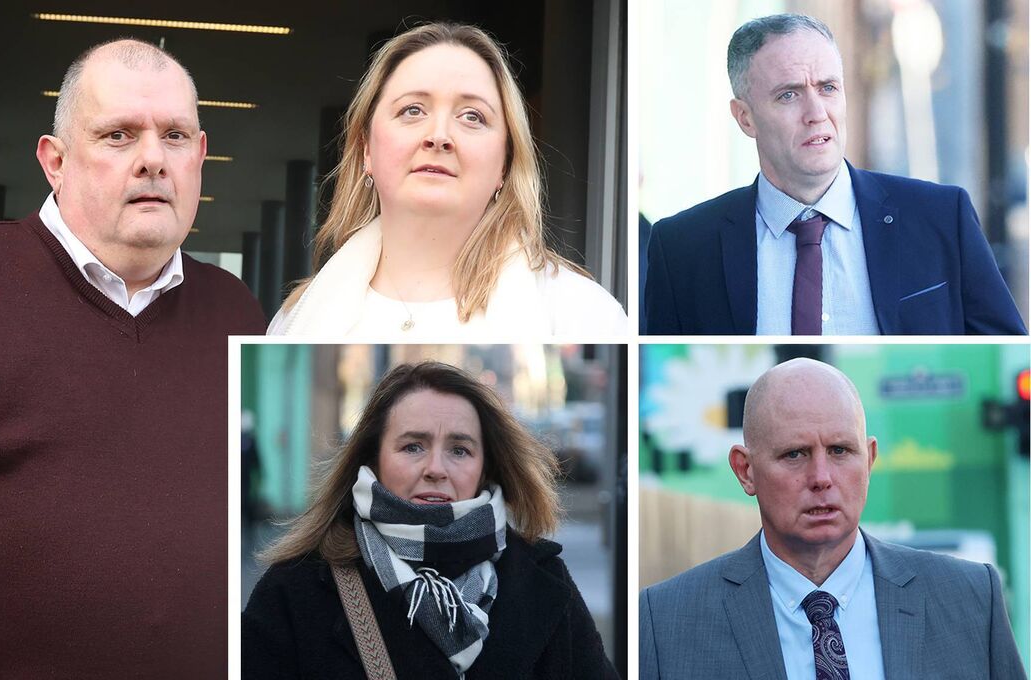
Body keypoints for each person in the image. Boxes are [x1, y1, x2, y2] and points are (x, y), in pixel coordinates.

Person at [0, 39, 264, 677]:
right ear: (54, 162)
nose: (153, 159)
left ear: (201, 156)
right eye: (119, 135)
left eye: (175, 136)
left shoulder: (236, 314)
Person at [639, 358, 1026, 679]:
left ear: (869, 460)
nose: (821, 478)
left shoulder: (972, 598)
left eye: (840, 450)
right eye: (795, 454)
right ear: (745, 471)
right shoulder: (665, 622)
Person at [644, 13, 1026, 336]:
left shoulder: (942, 216)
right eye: (788, 95)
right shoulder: (681, 247)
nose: (816, 112)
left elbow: (1007, 348)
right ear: (745, 117)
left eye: (828, 88)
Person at [242, 361, 619, 678]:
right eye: (413, 446)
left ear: (486, 466)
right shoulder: (295, 588)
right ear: (372, 460)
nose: (436, 469)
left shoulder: (545, 581)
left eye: (459, 449)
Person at [268, 22, 627, 337]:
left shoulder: (583, 316)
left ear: (505, 161)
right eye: (412, 110)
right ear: (366, 149)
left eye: (472, 116)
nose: (439, 135)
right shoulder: (293, 320)